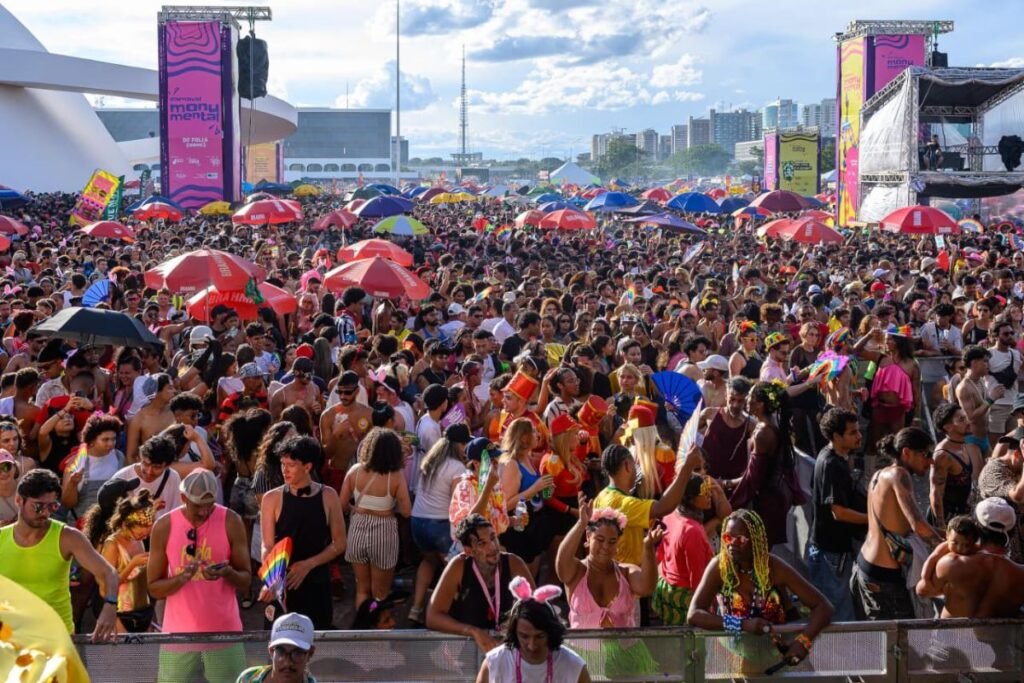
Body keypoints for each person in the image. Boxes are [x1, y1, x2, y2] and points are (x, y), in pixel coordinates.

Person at [687, 509, 834, 668]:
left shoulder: (774, 567)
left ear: (755, 541)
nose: (731, 544)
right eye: (728, 538)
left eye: (740, 539)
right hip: (732, 660)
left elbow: (824, 607)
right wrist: (742, 624)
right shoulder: (719, 568)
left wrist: (804, 641)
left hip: (775, 659)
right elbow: (694, 614)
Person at [148, 468, 251, 683]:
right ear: (183, 497)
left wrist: (227, 572)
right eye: (197, 506)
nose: (204, 512)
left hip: (224, 633)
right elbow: (154, 588)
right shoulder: (164, 526)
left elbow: (246, 580)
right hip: (178, 636)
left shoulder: (231, 521)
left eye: (209, 505)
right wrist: (181, 578)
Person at [0, 468, 120, 640]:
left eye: (52, 506)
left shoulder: (67, 537)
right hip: (11, 640)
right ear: (19, 500)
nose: (46, 513)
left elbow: (109, 573)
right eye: (38, 506)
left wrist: (110, 605)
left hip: (56, 639)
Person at [851, 428, 942, 621]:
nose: (931, 461)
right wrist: (948, 548)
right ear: (907, 452)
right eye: (926, 454)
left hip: (867, 566)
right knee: (900, 643)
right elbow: (919, 525)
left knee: (883, 639)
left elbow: (901, 524)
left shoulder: (879, 475)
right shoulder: (899, 475)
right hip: (883, 576)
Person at [259, 436, 346, 629]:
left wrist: (309, 564)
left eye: (291, 465)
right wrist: (272, 579)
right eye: (283, 464)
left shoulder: (328, 495)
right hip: (283, 585)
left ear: (307, 467)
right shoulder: (271, 498)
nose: (284, 470)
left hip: (316, 583)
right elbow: (267, 544)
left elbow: (339, 543)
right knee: (279, 646)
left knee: (316, 641)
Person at [427, 514, 534, 652]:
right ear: (468, 551)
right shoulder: (459, 567)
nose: (493, 547)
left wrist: (516, 624)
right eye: (482, 543)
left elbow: (536, 606)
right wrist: (473, 632)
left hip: (505, 649)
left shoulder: (513, 563)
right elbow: (432, 617)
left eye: (493, 537)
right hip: (465, 650)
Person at [556, 494, 662, 628]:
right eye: (600, 540)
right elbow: (561, 563)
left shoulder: (626, 572)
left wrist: (648, 548)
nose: (606, 546)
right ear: (588, 537)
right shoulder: (577, 571)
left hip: (626, 648)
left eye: (612, 542)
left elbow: (647, 588)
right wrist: (581, 524)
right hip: (582, 649)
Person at [592, 442, 702, 566]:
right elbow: (663, 507)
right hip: (626, 578)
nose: (637, 470)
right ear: (627, 466)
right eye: (635, 465)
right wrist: (687, 467)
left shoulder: (601, 496)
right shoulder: (623, 504)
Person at [339, 427, 411, 610]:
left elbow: (341, 504)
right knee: (380, 593)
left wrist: (356, 509)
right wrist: (388, 509)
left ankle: (362, 628)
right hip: (384, 532)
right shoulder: (395, 477)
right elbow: (407, 511)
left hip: (357, 529)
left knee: (362, 590)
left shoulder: (354, 471)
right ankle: (379, 632)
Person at [727, 381, 804, 548]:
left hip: (767, 503)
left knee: (758, 554)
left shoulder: (764, 433)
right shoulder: (764, 426)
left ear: (760, 404)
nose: (747, 398)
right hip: (770, 499)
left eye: (751, 396)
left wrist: (727, 489)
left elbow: (752, 478)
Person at [808, 408, 866, 623]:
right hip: (830, 553)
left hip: (828, 550)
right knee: (839, 616)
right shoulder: (832, 464)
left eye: (858, 431)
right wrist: (874, 520)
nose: (859, 436)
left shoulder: (829, 455)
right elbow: (838, 512)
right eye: (852, 433)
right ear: (836, 436)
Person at [476, 579, 590, 683]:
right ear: (514, 632)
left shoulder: (574, 667)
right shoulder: (494, 664)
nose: (532, 646)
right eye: (524, 636)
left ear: (551, 633)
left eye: (539, 636)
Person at [654, 474, 730, 625]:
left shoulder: (672, 513)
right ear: (690, 498)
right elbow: (698, 579)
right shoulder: (691, 531)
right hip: (685, 598)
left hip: (668, 589)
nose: (709, 495)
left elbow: (661, 554)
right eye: (704, 492)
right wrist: (708, 608)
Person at [99, 489, 156, 632]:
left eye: (146, 535)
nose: (143, 538)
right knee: (123, 655)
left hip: (144, 609)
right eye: (139, 534)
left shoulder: (138, 542)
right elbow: (105, 588)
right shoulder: (112, 544)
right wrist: (132, 565)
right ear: (125, 525)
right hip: (121, 613)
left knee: (144, 655)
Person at [928, 402, 983, 528]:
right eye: (961, 419)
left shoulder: (962, 445)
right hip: (947, 520)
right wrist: (941, 526)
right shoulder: (943, 455)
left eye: (966, 417)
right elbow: (935, 493)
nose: (968, 422)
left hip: (961, 517)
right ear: (948, 427)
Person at [236, 612, 319, 683]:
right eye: (281, 652)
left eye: (297, 653)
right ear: (271, 651)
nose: (287, 663)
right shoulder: (247, 679)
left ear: (310, 653)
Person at [698, 376, 753, 481]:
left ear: (746, 400)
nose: (735, 405)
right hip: (705, 476)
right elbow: (688, 434)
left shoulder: (750, 425)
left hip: (731, 482)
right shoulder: (709, 414)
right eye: (732, 399)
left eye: (740, 401)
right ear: (725, 395)